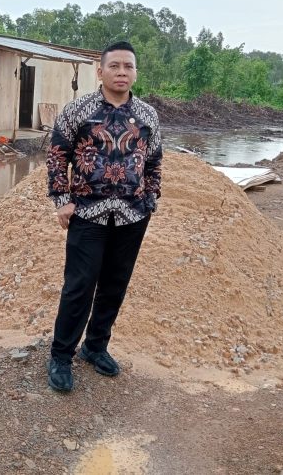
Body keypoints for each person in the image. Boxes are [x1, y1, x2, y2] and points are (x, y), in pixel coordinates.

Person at [45, 40, 162, 393]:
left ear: (136, 72)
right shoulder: (77, 111)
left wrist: (151, 199)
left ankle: (95, 347)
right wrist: (62, 200)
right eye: (115, 66)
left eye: (128, 66)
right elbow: (56, 154)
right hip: (88, 214)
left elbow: (155, 161)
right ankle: (61, 356)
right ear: (101, 71)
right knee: (79, 286)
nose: (122, 72)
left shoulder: (147, 116)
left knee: (114, 286)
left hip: (131, 215)